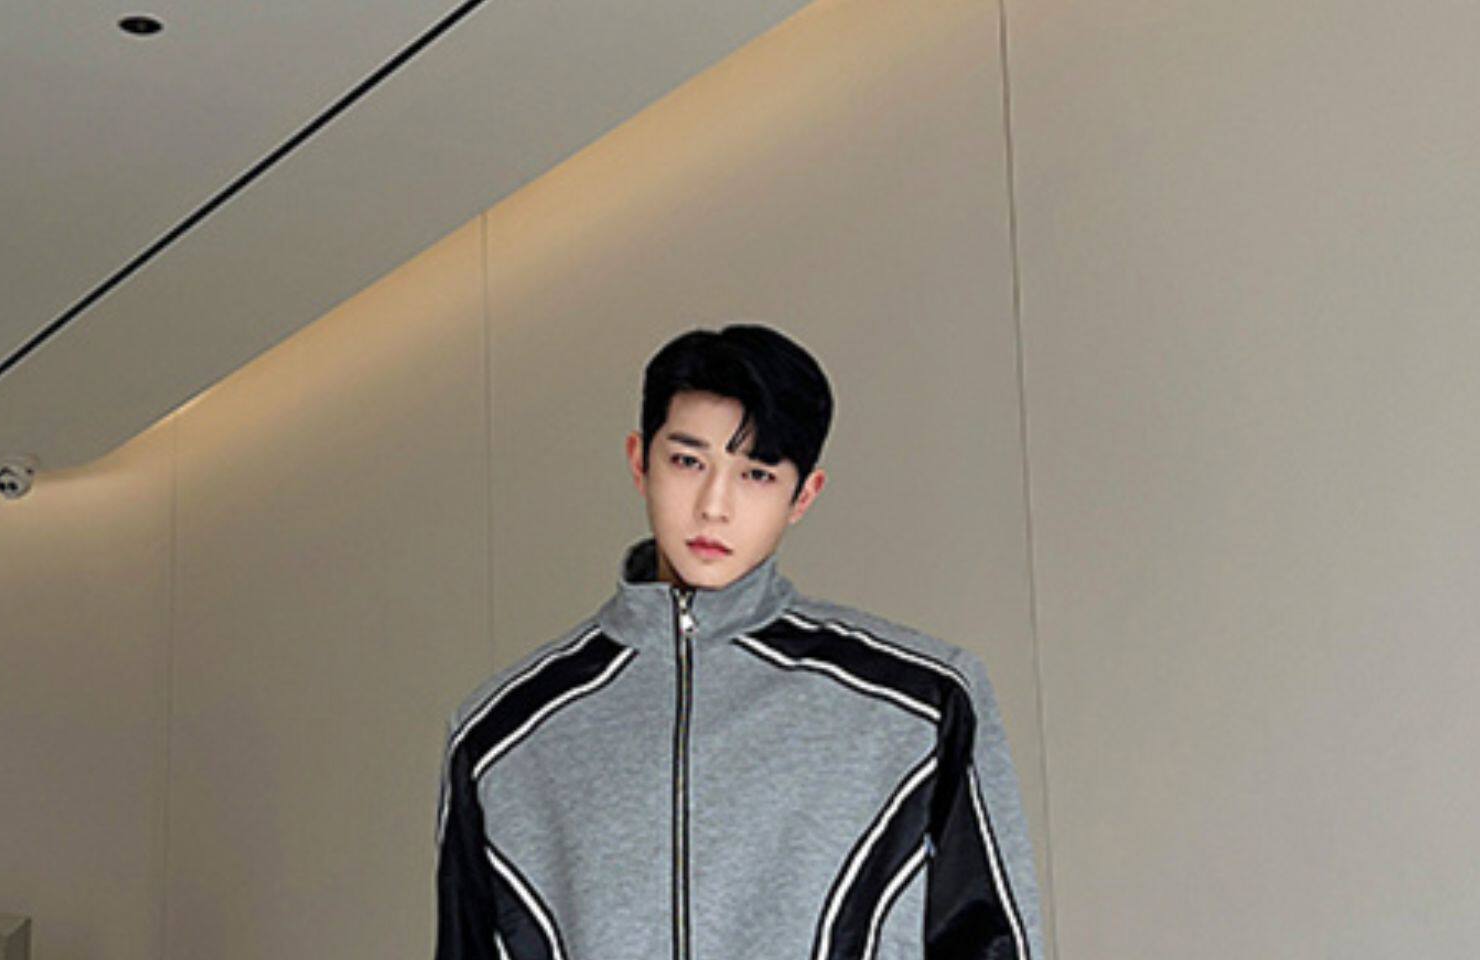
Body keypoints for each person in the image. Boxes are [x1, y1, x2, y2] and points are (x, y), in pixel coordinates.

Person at [435, 323, 1049, 960]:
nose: (714, 506)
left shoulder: (921, 705)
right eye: (687, 461)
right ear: (639, 462)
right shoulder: (500, 739)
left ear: (803, 496)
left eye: (756, 474)